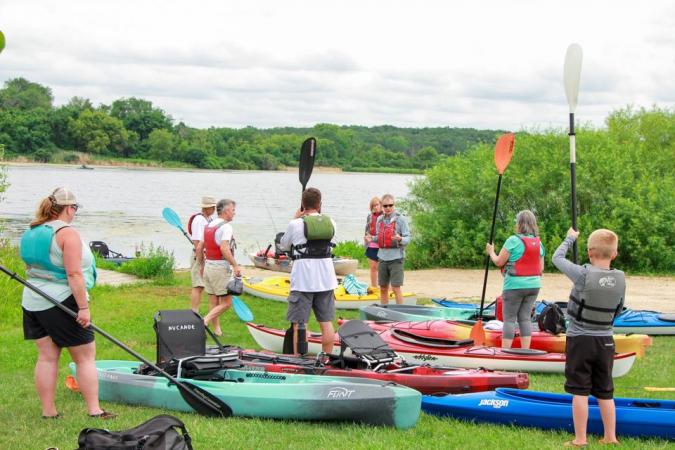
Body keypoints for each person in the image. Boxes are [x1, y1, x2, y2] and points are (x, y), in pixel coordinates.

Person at [19, 187, 115, 419]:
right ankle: (94, 410)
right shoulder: (67, 233)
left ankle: (49, 412)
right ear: (69, 208)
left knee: (47, 356)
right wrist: (83, 307)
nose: (75, 213)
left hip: (32, 299)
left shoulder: (32, 230)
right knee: (85, 356)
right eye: (75, 208)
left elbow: (31, 267)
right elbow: (73, 274)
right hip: (62, 301)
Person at [553, 228, 624, 447]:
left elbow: (557, 258)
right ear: (614, 254)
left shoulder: (582, 274)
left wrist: (570, 238)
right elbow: (618, 310)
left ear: (590, 252)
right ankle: (610, 437)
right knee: (605, 391)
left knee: (580, 391)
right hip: (606, 342)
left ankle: (580, 439)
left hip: (580, 340)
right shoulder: (620, 278)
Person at [278, 187, 337, 354]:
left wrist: (295, 217)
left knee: (299, 323)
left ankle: (298, 358)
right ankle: (327, 358)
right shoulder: (331, 223)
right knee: (326, 322)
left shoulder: (295, 224)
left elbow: (283, 245)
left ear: (302, 205)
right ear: (320, 204)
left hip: (303, 280)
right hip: (326, 280)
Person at [486, 210, 545, 349]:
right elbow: (540, 269)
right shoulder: (539, 243)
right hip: (534, 286)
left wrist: (491, 252)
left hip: (514, 286)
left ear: (519, 224)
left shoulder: (513, 240)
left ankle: (505, 352)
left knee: (509, 320)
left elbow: (499, 262)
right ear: (533, 224)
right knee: (525, 318)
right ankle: (526, 351)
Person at [200, 199, 241, 336]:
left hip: (208, 266)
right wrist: (235, 265)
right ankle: (204, 321)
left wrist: (201, 265)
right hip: (219, 267)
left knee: (213, 300)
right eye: (233, 210)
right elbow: (224, 248)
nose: (234, 213)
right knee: (226, 303)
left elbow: (200, 246)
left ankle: (217, 331)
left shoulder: (209, 225)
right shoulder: (226, 227)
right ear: (226, 210)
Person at [369, 194, 411, 305]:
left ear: (394, 205)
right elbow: (379, 237)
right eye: (385, 206)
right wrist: (371, 238)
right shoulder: (379, 219)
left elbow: (408, 238)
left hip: (396, 258)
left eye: (390, 205)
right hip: (382, 257)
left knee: (396, 288)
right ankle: (384, 313)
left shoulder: (401, 219)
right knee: (383, 288)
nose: (388, 208)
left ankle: (400, 315)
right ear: (382, 206)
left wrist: (400, 238)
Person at [189, 196, 216, 314]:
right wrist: (200, 259)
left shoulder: (209, 219)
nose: (214, 209)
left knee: (205, 286)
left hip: (207, 256)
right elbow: (196, 241)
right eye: (212, 207)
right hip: (199, 255)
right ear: (206, 208)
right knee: (198, 285)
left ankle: (197, 312)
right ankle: (194, 312)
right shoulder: (199, 220)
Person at [363, 196, 382, 287]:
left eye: (377, 205)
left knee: (383, 269)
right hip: (371, 246)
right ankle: (374, 287)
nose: (375, 207)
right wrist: (366, 238)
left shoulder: (385, 216)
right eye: (373, 205)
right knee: (373, 268)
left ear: (381, 205)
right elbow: (367, 230)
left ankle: (386, 288)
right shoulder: (369, 216)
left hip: (382, 246)